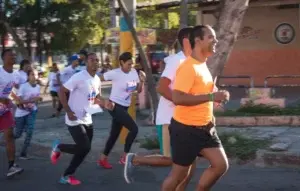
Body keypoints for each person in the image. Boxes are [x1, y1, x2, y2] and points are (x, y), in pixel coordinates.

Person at [123, 28, 196, 189]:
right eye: (197, 37)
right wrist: (182, 101)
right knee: (171, 159)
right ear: (186, 40)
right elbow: (162, 88)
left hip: (187, 119)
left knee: (189, 163)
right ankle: (135, 159)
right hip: (169, 118)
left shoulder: (194, 62)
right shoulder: (177, 61)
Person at [161, 25, 230, 191]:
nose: (216, 41)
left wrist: (215, 96)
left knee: (220, 165)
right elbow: (178, 97)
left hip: (205, 127)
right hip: (186, 129)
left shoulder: (203, 65)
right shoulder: (188, 67)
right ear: (198, 41)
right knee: (179, 176)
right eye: (211, 37)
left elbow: (200, 93)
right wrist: (212, 97)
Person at [50, 53, 113, 185]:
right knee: (84, 147)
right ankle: (60, 151)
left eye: (97, 60)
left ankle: (66, 172)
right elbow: (62, 91)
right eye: (92, 60)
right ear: (86, 62)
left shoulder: (97, 79)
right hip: (74, 118)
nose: (95, 62)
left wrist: (105, 103)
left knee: (85, 148)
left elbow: (96, 97)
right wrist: (67, 110)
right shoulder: (79, 77)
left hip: (87, 118)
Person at [97, 52, 145, 169]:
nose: (131, 66)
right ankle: (125, 157)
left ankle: (103, 159)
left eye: (132, 64)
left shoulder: (133, 72)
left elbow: (138, 90)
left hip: (125, 106)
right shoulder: (115, 73)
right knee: (134, 129)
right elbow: (96, 80)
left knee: (114, 135)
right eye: (128, 64)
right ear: (122, 63)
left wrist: (142, 80)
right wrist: (101, 97)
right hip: (114, 105)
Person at [0, 49, 24, 178]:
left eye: (15, 55)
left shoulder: (16, 75)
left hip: (5, 108)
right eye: (11, 55)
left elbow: (10, 89)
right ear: (4, 58)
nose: (13, 57)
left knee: (9, 135)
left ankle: (11, 166)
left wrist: (16, 98)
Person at [14, 69, 42, 159]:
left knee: (30, 132)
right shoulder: (23, 86)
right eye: (32, 74)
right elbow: (19, 101)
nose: (34, 76)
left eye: (36, 74)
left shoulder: (38, 86)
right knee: (18, 134)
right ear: (28, 76)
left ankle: (23, 153)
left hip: (31, 112)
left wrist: (36, 105)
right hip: (21, 113)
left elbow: (36, 99)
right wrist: (33, 100)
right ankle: (7, 139)